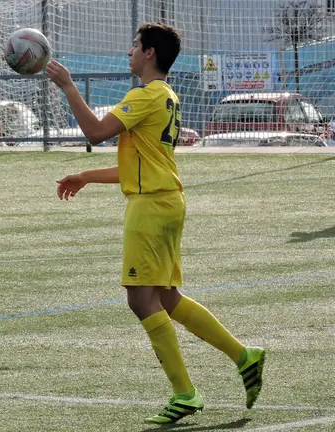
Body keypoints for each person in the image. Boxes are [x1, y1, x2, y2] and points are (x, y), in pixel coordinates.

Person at [46, 23, 266, 424]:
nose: (128, 51)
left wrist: (68, 86)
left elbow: (95, 131)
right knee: (166, 298)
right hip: (166, 201)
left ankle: (185, 393)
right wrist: (85, 176)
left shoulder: (145, 95)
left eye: (134, 45)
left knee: (139, 299)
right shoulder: (166, 96)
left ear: (149, 53)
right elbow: (138, 164)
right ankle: (243, 355)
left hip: (150, 208)